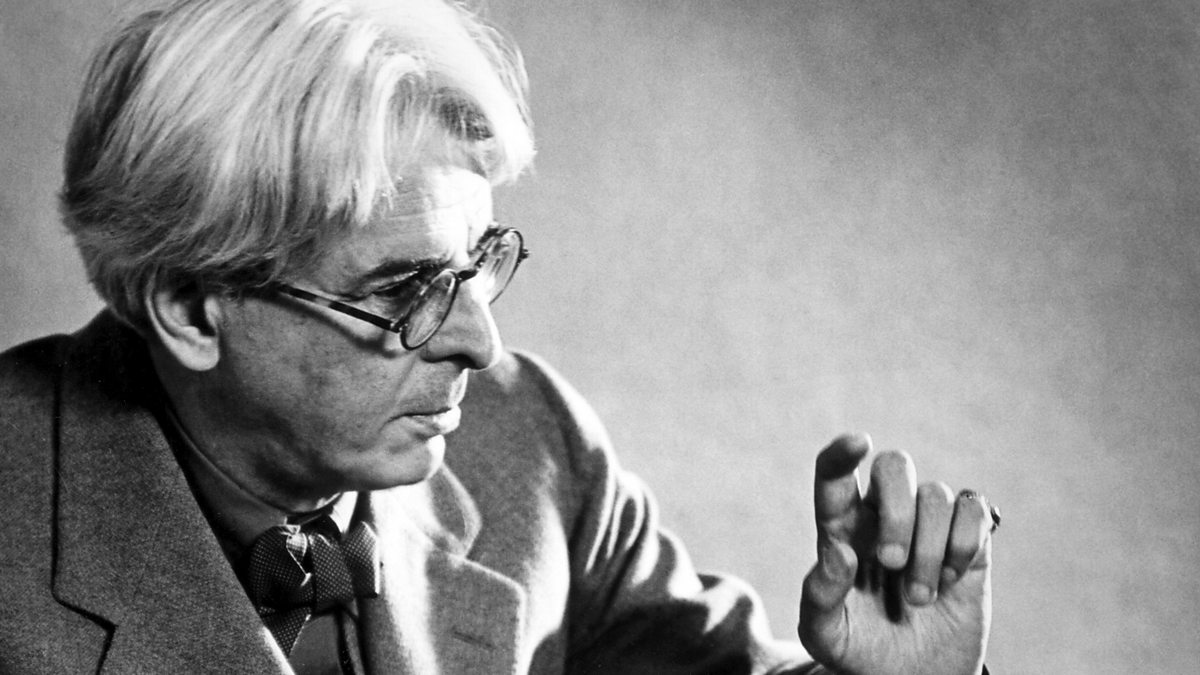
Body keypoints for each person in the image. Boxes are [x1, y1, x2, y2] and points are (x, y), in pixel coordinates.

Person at [0, 0, 997, 672]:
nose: (480, 343)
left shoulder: (529, 438)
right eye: (405, 288)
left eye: (478, 263)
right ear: (188, 307)